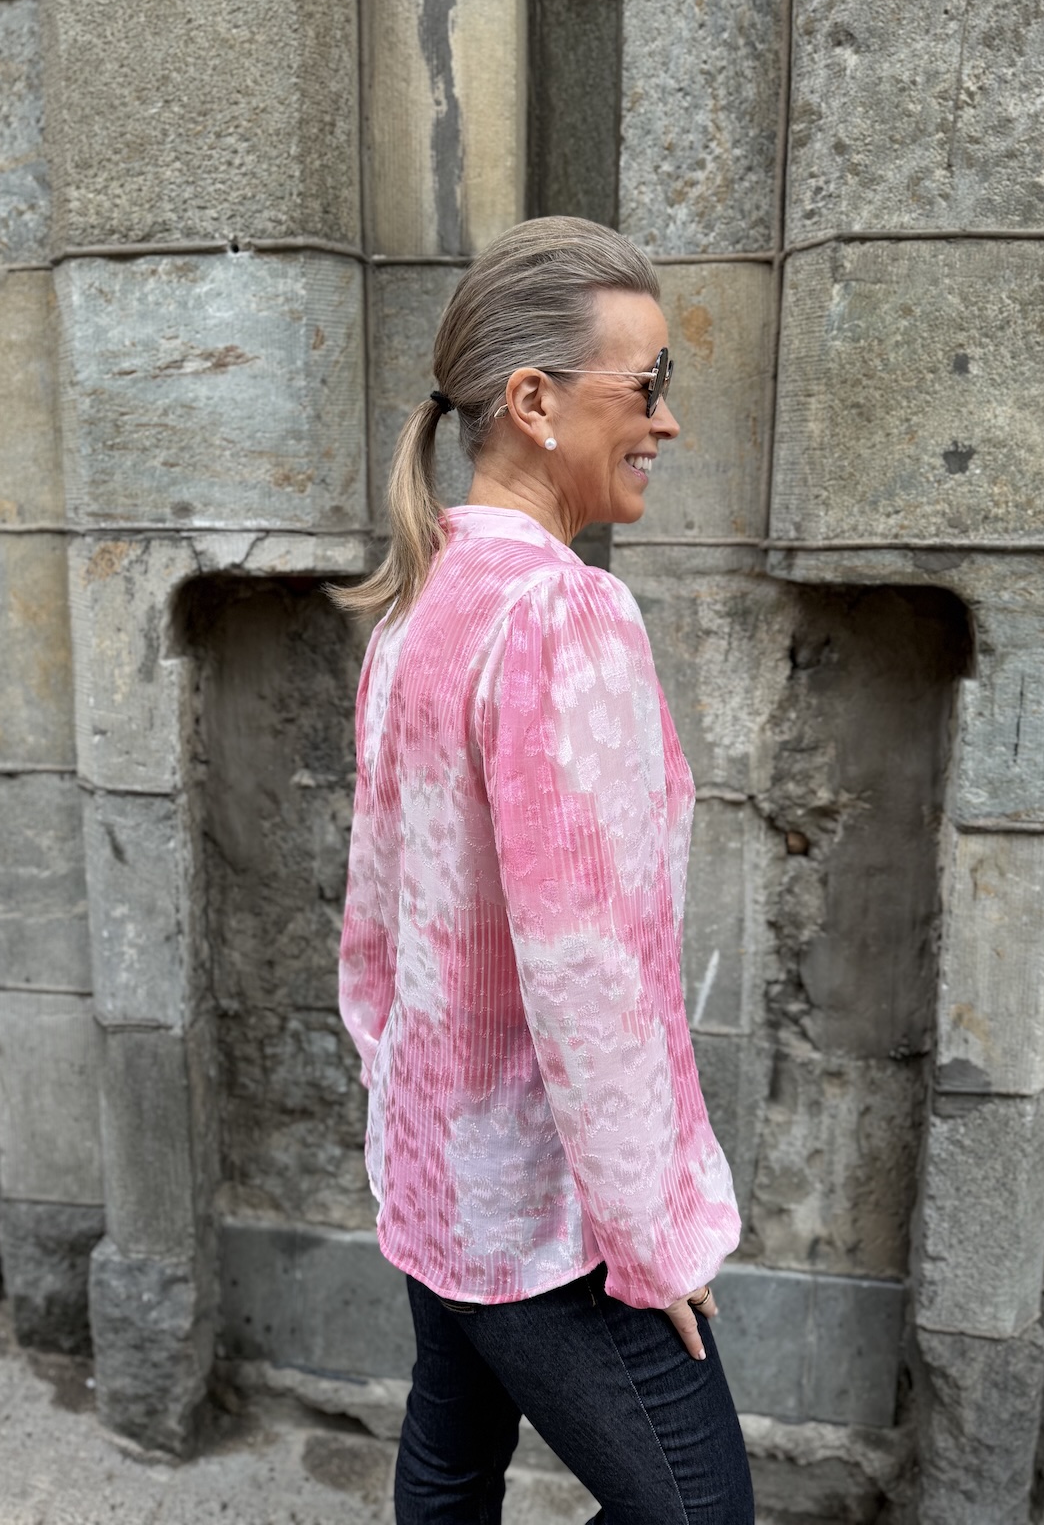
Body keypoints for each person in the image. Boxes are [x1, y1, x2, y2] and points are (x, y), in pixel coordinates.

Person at [334, 216, 754, 1524]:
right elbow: (592, 973)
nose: (667, 420)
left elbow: (374, 914)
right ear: (534, 401)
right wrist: (651, 1235)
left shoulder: (419, 599)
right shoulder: (560, 612)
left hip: (438, 1165)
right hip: (544, 1210)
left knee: (451, 1460)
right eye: (648, 383)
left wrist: (401, 1095)